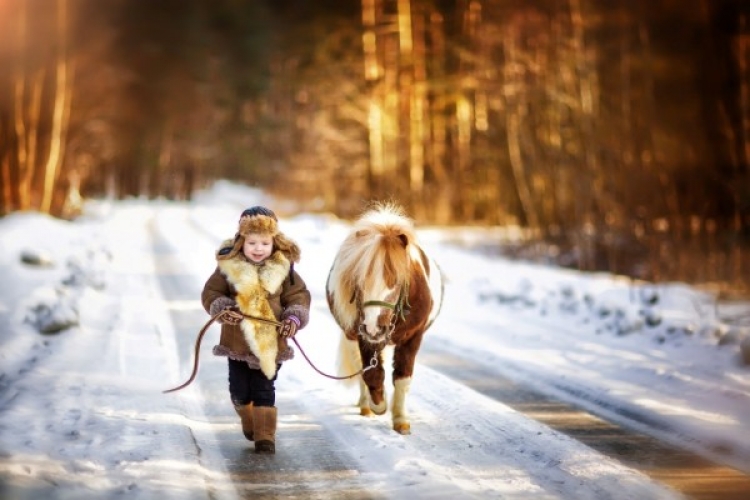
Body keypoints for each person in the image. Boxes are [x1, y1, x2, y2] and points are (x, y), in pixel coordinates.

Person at [201, 206, 310, 454]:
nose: (258, 248)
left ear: (275, 242)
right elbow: (211, 292)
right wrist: (222, 307)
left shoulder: (284, 269)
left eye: (264, 242)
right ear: (241, 242)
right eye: (252, 242)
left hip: (272, 343)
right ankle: (247, 417)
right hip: (237, 342)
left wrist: (294, 317)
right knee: (239, 391)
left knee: (264, 388)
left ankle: (265, 437)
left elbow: (299, 297)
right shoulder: (228, 267)